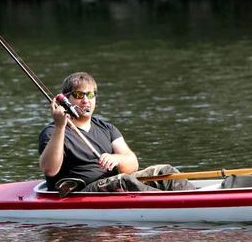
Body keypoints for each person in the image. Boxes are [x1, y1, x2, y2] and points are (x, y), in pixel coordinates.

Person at [39, 72, 195, 195]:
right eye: (79, 95)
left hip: (114, 184)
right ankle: (173, 203)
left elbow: (132, 164)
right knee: (123, 181)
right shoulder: (53, 132)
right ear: (66, 100)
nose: (86, 100)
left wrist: (117, 158)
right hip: (80, 193)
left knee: (165, 172)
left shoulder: (107, 128)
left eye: (90, 95)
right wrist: (60, 126)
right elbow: (49, 170)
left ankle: (196, 198)